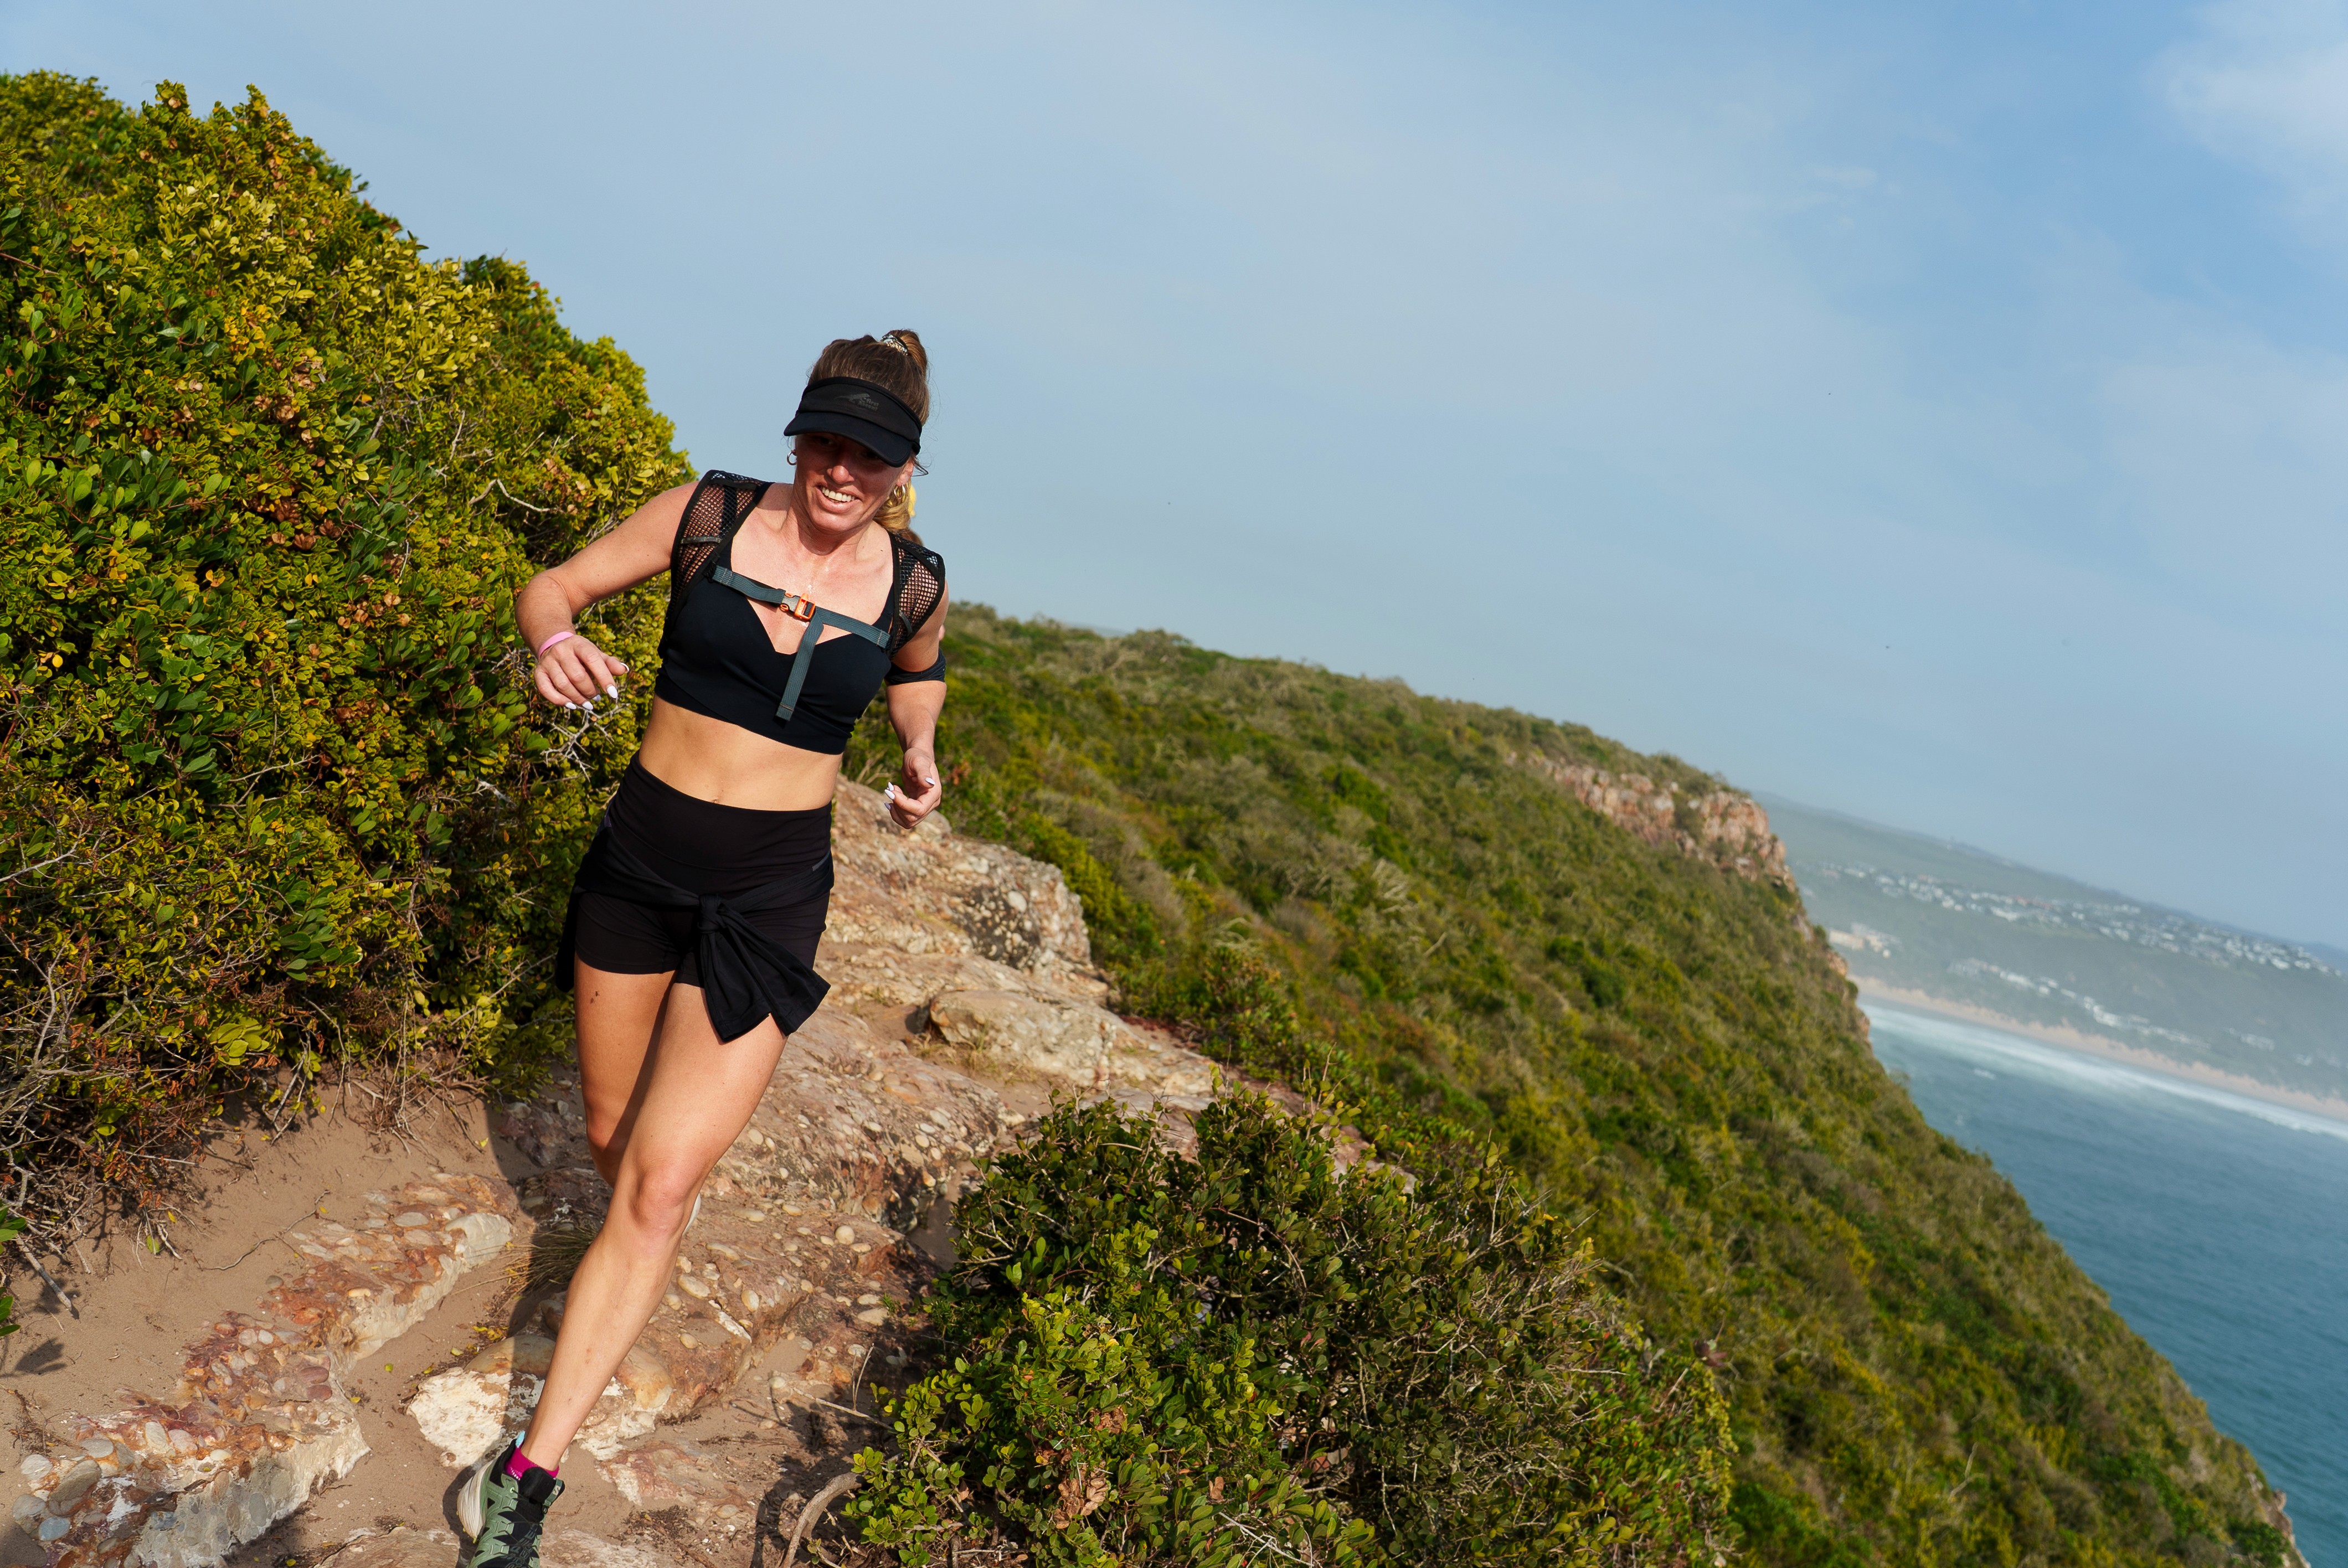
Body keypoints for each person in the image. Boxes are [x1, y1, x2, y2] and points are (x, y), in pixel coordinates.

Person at [460, 332, 949, 1568]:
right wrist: (549, 641)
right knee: (620, 1147)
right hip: (638, 874)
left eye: (871, 456)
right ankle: (617, 1272)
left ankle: (527, 1476)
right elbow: (552, 587)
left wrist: (917, 757)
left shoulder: (914, 583)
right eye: (826, 442)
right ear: (798, 432)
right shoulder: (707, 515)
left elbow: (918, 678)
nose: (842, 471)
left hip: (770, 896)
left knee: (663, 1184)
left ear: (904, 467)